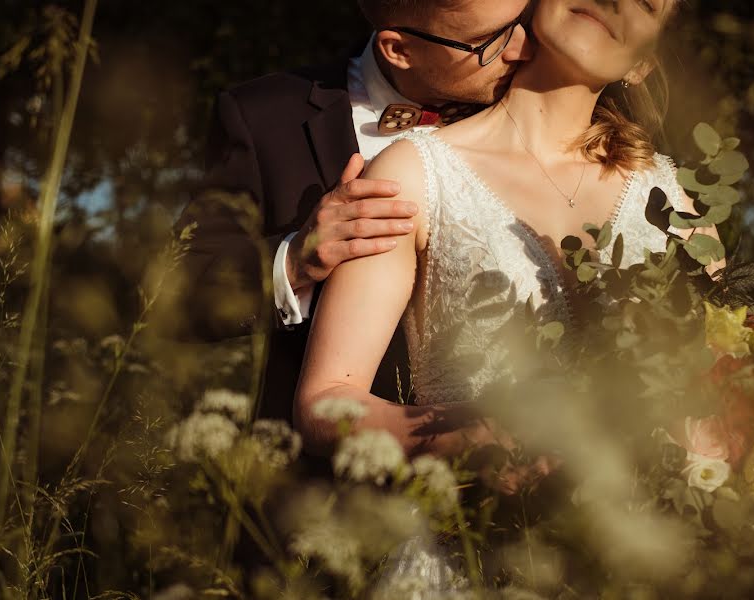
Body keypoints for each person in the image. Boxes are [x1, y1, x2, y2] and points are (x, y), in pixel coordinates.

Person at [296, 0, 724, 467]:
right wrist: (464, 439)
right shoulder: (412, 173)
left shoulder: (680, 207)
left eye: (645, 3)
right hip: (472, 531)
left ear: (642, 64)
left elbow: (727, 392)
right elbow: (325, 402)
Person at [172, 0, 532, 427]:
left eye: (521, 23)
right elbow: (174, 294)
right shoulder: (263, 116)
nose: (522, 50)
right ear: (398, 50)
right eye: (488, 42)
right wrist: (294, 259)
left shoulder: (541, 98)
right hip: (328, 474)